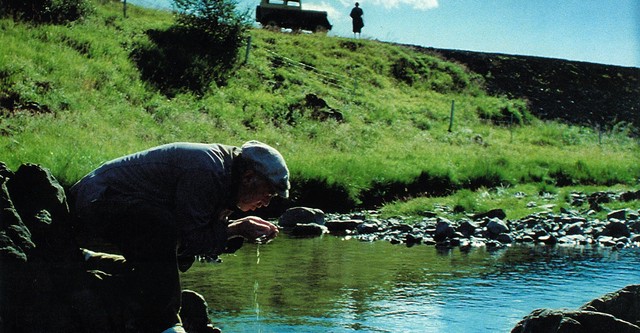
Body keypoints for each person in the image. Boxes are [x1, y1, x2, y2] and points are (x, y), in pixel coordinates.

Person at [68, 141, 289, 333]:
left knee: (168, 263)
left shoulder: (228, 177)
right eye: (268, 194)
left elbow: (193, 243)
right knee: (163, 228)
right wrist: (236, 229)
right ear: (249, 177)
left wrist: (234, 229)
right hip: (96, 200)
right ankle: (167, 323)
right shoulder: (207, 171)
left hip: (117, 203)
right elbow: (191, 238)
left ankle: (94, 260)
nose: (267, 203)